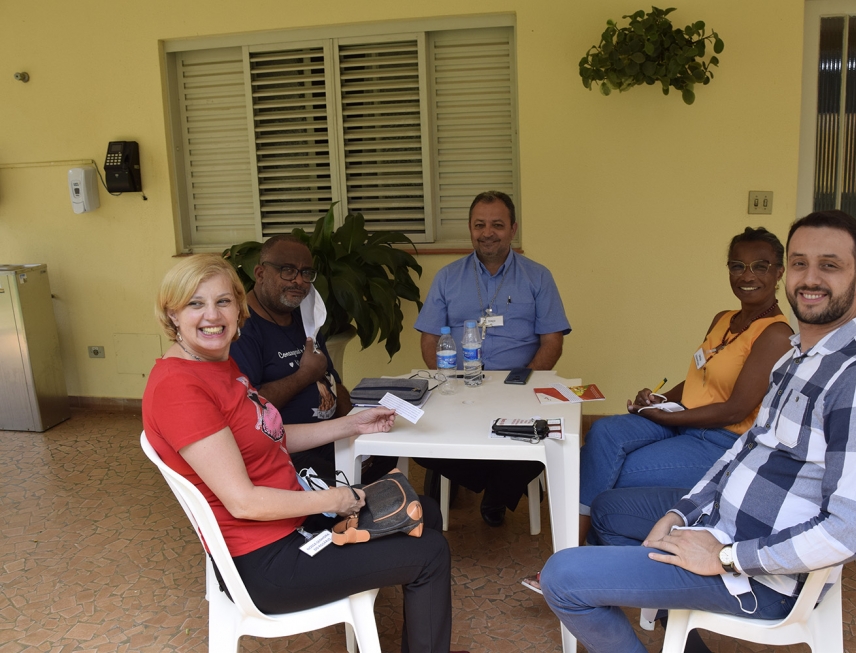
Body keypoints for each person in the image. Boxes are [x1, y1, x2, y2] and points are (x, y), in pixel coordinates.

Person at [539, 210, 856, 653]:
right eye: (800, 263)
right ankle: (683, 634)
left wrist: (724, 557)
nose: (810, 279)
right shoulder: (797, 357)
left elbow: (846, 532)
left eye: (829, 265)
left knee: (561, 578)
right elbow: (743, 452)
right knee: (606, 510)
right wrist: (679, 514)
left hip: (763, 576)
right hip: (719, 525)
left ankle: (673, 601)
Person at [143, 254, 463, 653]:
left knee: (425, 511)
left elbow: (270, 436)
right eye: (195, 303)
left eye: (223, 301)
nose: (213, 315)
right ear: (172, 314)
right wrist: (335, 499)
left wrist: (352, 424)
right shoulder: (179, 388)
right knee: (431, 553)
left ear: (238, 309)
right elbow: (242, 502)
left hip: (292, 525)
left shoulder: (217, 364)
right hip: (268, 562)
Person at [521, 227, 793, 594]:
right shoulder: (723, 318)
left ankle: (576, 565)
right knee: (603, 433)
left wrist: (670, 416)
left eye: (760, 266)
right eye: (737, 266)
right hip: (683, 420)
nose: (747, 275)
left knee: (608, 474)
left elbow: (735, 409)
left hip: (719, 441)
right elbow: (700, 379)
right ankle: (578, 560)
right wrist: (660, 399)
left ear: (779, 272)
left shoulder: (776, 334)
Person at [413, 190, 572, 527]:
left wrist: (524, 380)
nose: (488, 233)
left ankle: (497, 489)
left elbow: (552, 341)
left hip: (519, 386)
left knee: (547, 437)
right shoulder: (447, 277)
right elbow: (429, 339)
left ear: (513, 229)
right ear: (470, 229)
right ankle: (502, 487)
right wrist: (446, 380)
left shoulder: (538, 276)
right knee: (417, 440)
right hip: (458, 386)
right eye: (479, 225)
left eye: (497, 225)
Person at [229, 235, 395, 483]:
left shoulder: (305, 318)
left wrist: (353, 431)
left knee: (386, 451)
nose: (299, 280)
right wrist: (305, 375)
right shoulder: (242, 329)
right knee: (351, 490)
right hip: (286, 449)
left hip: (329, 437)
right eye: (287, 270)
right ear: (260, 273)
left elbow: (332, 380)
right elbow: (248, 409)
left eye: (306, 273)